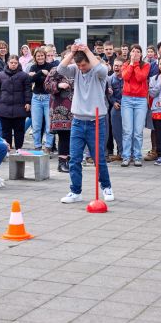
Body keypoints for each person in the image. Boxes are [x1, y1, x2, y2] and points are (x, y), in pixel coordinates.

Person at [57, 43, 114, 203]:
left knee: (99, 159)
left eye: (84, 65)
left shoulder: (98, 71)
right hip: (77, 121)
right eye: (79, 65)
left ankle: (106, 186)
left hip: (96, 121)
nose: (81, 68)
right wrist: (73, 52)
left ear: (90, 60)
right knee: (74, 158)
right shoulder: (75, 70)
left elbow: (103, 70)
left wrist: (88, 50)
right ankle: (75, 191)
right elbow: (61, 69)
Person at [0, 55, 32, 151]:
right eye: (11, 63)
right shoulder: (0, 75)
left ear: (18, 64)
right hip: (4, 107)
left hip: (19, 107)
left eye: (15, 63)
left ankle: (19, 149)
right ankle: (7, 149)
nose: (13, 64)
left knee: (19, 131)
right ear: (8, 63)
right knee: (6, 131)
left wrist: (28, 102)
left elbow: (28, 90)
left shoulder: (24, 76)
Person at [120, 45, 150, 167]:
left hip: (141, 100)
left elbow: (140, 78)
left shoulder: (146, 65)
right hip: (127, 99)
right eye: (133, 51)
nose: (135, 53)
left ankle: (137, 156)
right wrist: (132, 64)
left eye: (138, 51)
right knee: (127, 131)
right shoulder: (125, 64)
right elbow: (125, 76)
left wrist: (136, 64)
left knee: (138, 131)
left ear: (141, 54)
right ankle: (126, 156)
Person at [45, 53, 74, 173]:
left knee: (75, 137)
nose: (71, 60)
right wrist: (58, 85)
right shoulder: (56, 70)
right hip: (60, 109)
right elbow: (46, 85)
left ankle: (72, 161)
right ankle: (62, 163)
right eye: (69, 58)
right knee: (64, 136)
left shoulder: (79, 70)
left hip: (77, 109)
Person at [28, 47, 56, 152]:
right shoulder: (33, 67)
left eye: (42, 55)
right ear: (35, 57)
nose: (40, 57)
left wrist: (37, 75)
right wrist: (41, 72)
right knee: (36, 125)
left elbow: (50, 80)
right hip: (36, 98)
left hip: (48, 97)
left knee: (49, 125)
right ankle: (37, 146)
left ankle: (48, 146)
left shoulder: (51, 66)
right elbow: (30, 80)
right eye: (38, 56)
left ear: (45, 56)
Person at [107, 58, 124, 162]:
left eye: (119, 65)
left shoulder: (127, 78)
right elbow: (108, 94)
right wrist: (114, 102)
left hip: (127, 106)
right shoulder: (110, 79)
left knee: (128, 131)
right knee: (116, 131)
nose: (117, 67)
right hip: (116, 107)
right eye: (115, 65)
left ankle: (128, 152)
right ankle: (121, 153)